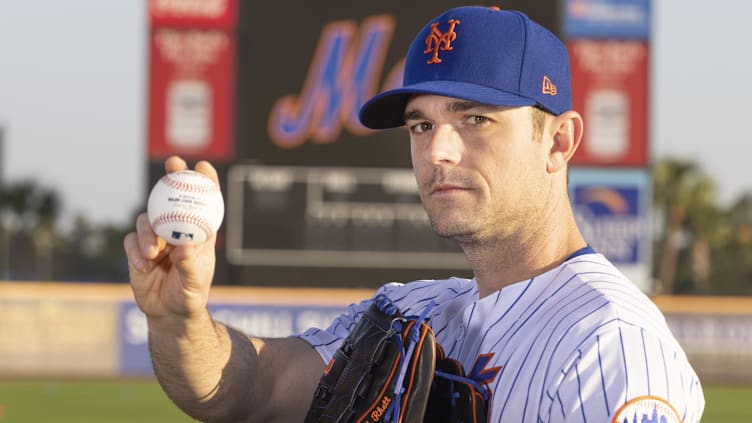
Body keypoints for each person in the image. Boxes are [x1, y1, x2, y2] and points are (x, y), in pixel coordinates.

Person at [124, 6, 704, 422]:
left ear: (559, 141)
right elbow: (252, 388)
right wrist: (179, 321)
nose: (437, 151)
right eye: (421, 125)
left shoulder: (610, 347)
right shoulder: (408, 312)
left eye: (474, 119)